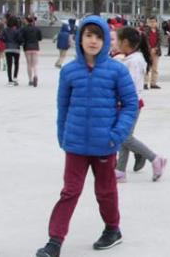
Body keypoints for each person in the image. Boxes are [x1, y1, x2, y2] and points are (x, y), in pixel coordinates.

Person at [35, 16, 138, 257]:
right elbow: (63, 106)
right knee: (69, 192)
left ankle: (112, 229)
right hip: (76, 144)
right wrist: (63, 135)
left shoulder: (117, 70)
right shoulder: (69, 71)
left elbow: (131, 104)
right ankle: (54, 241)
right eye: (89, 35)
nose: (93, 41)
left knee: (105, 191)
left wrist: (116, 135)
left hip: (105, 144)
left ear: (106, 40)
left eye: (99, 36)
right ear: (80, 38)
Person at [112, 27, 167, 183]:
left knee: (125, 137)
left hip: (130, 104)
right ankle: (120, 171)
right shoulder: (130, 58)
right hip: (125, 104)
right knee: (124, 137)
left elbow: (131, 85)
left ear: (125, 42)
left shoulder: (135, 61)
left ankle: (154, 158)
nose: (115, 43)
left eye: (117, 40)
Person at [21, 15, 43, 87]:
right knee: (35, 64)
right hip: (35, 47)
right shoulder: (37, 29)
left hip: (27, 47)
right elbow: (40, 38)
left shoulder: (24, 29)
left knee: (29, 64)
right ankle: (35, 75)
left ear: (27, 21)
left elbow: (21, 38)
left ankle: (30, 80)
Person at [2, 17, 23, 86]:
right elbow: (20, 39)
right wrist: (19, 43)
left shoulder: (5, 30)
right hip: (16, 48)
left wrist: (5, 41)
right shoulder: (17, 30)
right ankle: (15, 77)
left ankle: (10, 80)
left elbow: (0, 37)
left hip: (8, 48)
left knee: (9, 65)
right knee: (16, 63)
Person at [146, 16, 162, 89]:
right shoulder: (146, 31)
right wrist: (150, 49)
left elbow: (159, 41)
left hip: (156, 51)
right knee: (147, 67)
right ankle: (145, 83)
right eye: (151, 22)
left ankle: (153, 83)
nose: (152, 23)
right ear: (148, 23)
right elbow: (145, 41)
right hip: (147, 51)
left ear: (156, 22)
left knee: (155, 68)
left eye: (154, 22)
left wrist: (155, 48)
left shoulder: (158, 31)